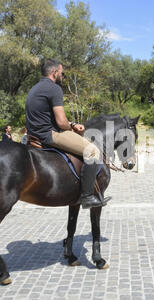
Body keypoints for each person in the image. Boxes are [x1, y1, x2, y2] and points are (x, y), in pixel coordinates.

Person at [25, 58, 107, 209]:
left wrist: (73, 125)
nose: (63, 77)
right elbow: (61, 122)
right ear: (55, 72)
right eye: (62, 74)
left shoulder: (34, 88)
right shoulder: (54, 89)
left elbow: (48, 117)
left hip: (33, 134)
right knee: (93, 151)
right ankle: (87, 196)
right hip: (49, 135)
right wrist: (70, 127)